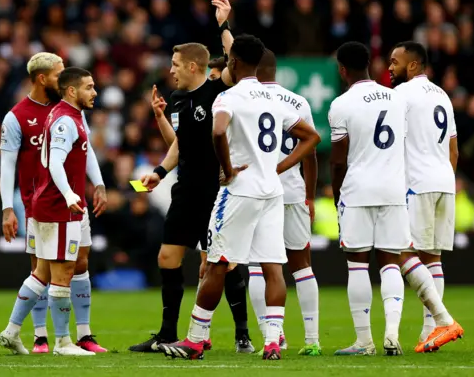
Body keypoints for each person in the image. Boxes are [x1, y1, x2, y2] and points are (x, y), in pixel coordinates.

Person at [158, 34, 320, 361]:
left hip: (240, 190)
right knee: (273, 266)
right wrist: (277, 167)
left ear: (232, 62)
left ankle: (195, 338)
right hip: (272, 191)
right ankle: (273, 341)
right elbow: (311, 137)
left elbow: (218, 131)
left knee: (218, 262)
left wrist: (229, 169)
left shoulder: (228, 97)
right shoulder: (276, 99)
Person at [129, 40, 255, 354]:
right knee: (167, 258)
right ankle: (167, 334)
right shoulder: (178, 99)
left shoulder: (216, 91)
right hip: (185, 192)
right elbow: (180, 145)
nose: (170, 70)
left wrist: (224, 23)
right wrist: (158, 171)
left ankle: (242, 334)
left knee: (222, 264)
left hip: (215, 193)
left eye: (174, 65)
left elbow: (235, 58)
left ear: (191, 66)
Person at [0, 54, 107, 354]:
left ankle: (80, 334)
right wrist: (7, 207)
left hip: (70, 201)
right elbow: (8, 165)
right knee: (46, 268)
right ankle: (46, 337)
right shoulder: (18, 116)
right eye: (59, 74)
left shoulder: (70, 110)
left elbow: (85, 149)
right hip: (46, 202)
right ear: (42, 78)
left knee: (70, 264)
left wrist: (97, 184)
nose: (63, 78)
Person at [329, 42, 407, 356]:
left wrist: (337, 196)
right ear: (371, 64)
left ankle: (364, 341)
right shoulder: (396, 98)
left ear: (342, 70)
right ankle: (392, 332)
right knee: (391, 263)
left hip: (358, 190)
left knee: (358, 266)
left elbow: (337, 161)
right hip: (393, 189)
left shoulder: (341, 104)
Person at [389, 41, 464, 353]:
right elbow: (454, 148)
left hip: (416, 184)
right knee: (433, 258)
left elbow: (392, 144)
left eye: (395, 62)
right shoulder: (442, 95)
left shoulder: (401, 95)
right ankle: (428, 334)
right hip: (444, 181)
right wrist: (444, 177)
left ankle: (443, 319)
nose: (389, 68)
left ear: (413, 65)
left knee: (400, 251)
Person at [247, 48, 322, 356]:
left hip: (258, 192)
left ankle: (272, 336)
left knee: (256, 266)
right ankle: (313, 340)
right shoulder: (298, 101)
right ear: (275, 71)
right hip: (292, 193)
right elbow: (312, 150)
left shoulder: (246, 98)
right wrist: (309, 195)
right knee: (301, 265)